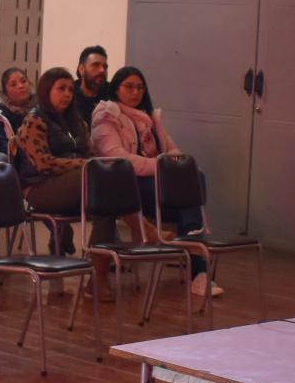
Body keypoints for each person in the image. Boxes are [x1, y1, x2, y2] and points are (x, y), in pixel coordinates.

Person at [89, 66, 213, 300]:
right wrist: (163, 167)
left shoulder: (149, 118)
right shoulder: (106, 115)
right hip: (128, 187)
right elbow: (118, 160)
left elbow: (172, 149)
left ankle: (199, 272)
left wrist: (180, 166)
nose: (135, 92)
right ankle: (198, 261)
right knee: (188, 193)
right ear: (116, 89)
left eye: (140, 87)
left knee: (194, 179)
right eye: (129, 87)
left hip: (156, 184)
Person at [14, 66, 110, 295]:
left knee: (108, 202)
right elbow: (43, 164)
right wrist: (83, 165)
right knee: (98, 175)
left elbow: (90, 155)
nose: (67, 94)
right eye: (61, 89)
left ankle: (98, 279)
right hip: (39, 188)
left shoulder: (77, 122)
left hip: (74, 184)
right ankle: (143, 230)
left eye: (69, 89)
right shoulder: (34, 120)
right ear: (47, 90)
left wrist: (93, 164)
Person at [0, 66, 36, 133]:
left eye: (23, 81)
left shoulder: (41, 107)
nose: (20, 86)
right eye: (13, 84)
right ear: (5, 93)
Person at [72, 45, 109, 124]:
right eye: (95, 65)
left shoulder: (113, 95)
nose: (102, 70)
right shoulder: (69, 94)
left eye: (105, 67)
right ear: (81, 69)